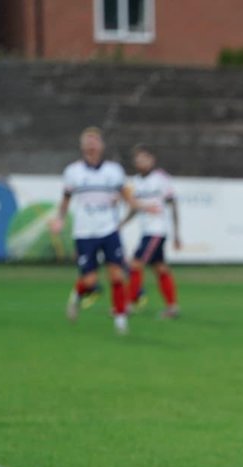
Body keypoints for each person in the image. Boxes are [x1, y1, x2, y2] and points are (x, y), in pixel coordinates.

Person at [50, 127, 143, 335]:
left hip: (108, 230)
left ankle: (120, 320)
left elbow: (128, 197)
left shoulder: (114, 171)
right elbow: (66, 200)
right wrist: (59, 220)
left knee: (117, 275)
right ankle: (77, 294)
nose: (91, 144)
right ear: (82, 146)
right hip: (84, 232)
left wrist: (139, 206)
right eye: (88, 141)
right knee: (90, 281)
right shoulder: (73, 172)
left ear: (101, 146)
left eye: (95, 140)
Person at [120, 144, 181, 319]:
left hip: (157, 230)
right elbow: (135, 208)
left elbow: (172, 204)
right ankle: (172, 307)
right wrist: (122, 223)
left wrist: (176, 233)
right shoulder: (135, 182)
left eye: (144, 158)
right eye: (138, 159)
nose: (141, 162)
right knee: (160, 269)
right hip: (147, 230)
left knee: (135, 264)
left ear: (152, 160)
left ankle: (128, 304)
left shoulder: (160, 178)